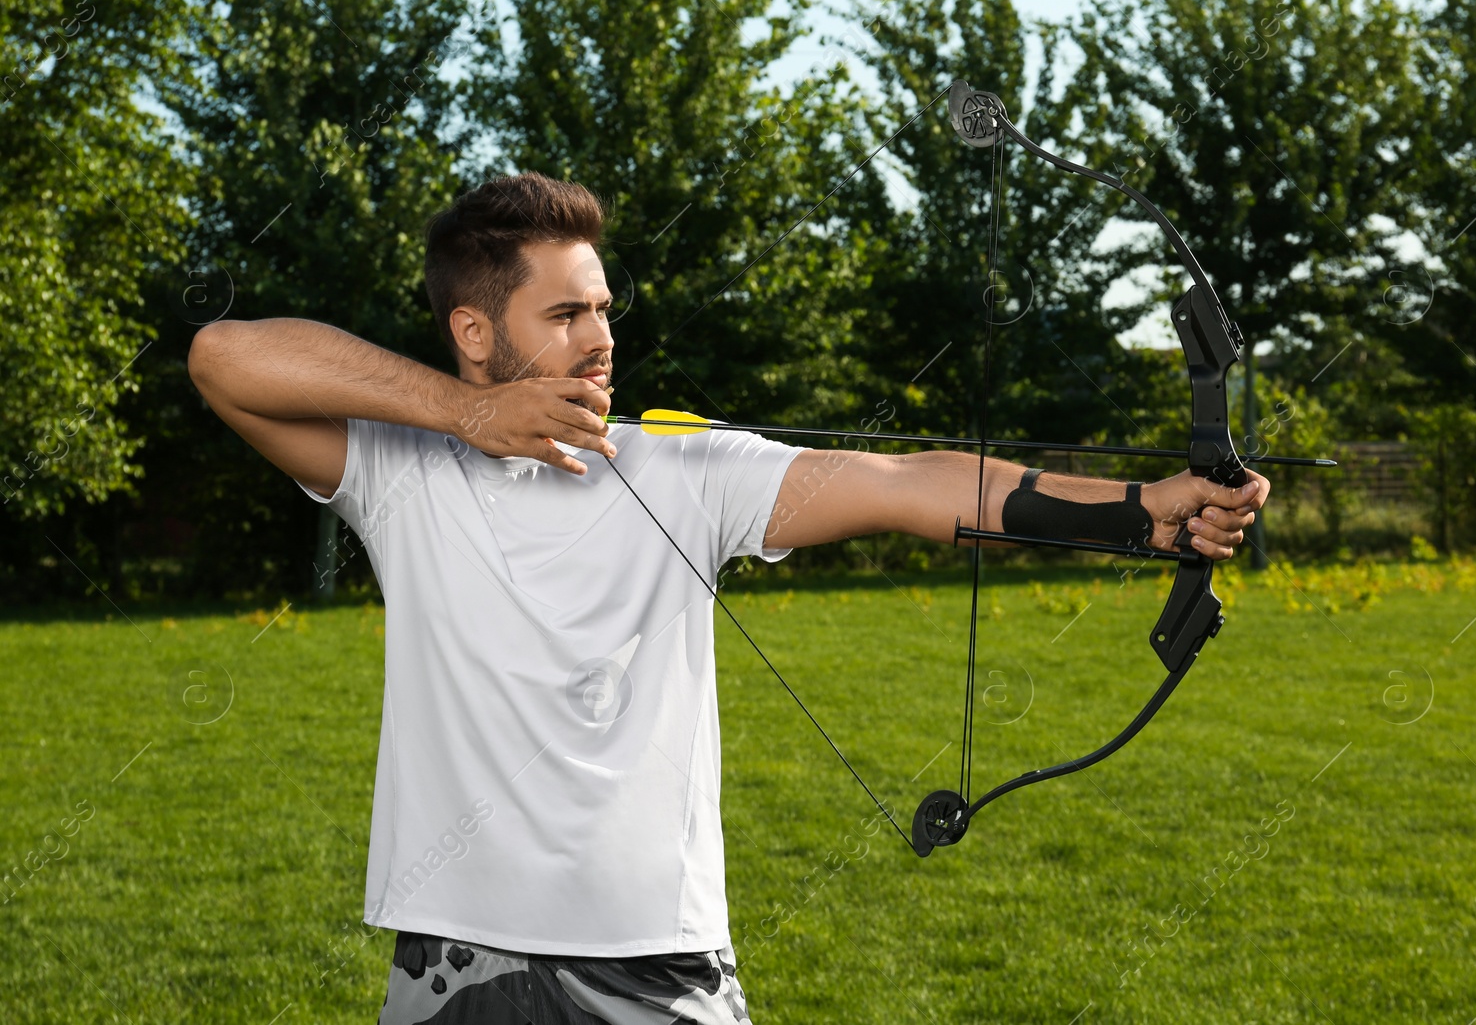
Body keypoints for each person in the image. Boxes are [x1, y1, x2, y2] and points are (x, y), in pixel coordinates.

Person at [187, 171, 1268, 1023]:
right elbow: (223, 355)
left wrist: (1136, 510)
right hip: (456, 958)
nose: (602, 336)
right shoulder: (401, 472)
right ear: (475, 332)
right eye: (565, 314)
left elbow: (912, 481)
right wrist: (460, 418)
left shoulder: (676, 471)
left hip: (657, 962)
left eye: (603, 308)